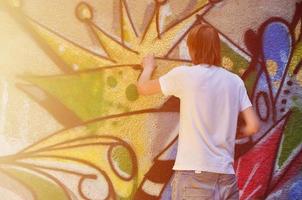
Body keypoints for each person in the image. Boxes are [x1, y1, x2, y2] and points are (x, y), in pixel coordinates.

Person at [136, 23, 260, 200]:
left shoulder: (185, 76)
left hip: (195, 174)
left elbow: (143, 88)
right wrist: (231, 133)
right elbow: (253, 126)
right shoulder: (235, 82)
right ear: (217, 49)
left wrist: (148, 67)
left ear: (192, 49)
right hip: (226, 175)